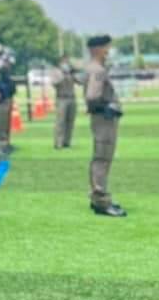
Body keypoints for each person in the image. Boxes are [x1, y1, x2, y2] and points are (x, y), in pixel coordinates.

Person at [84, 35, 126, 217]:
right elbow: (92, 96)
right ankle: (101, 201)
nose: (108, 51)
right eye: (106, 47)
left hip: (102, 118)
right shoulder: (98, 70)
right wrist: (106, 106)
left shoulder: (94, 68)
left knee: (101, 157)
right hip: (103, 119)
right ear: (98, 49)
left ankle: (98, 198)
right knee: (102, 158)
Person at [52, 55, 78, 149]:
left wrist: (73, 73)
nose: (66, 63)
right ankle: (58, 142)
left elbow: (79, 81)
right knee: (60, 121)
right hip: (61, 98)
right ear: (60, 62)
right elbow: (55, 83)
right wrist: (63, 74)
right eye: (64, 61)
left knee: (70, 121)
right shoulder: (56, 71)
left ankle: (67, 141)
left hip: (72, 98)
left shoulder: (71, 72)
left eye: (67, 61)